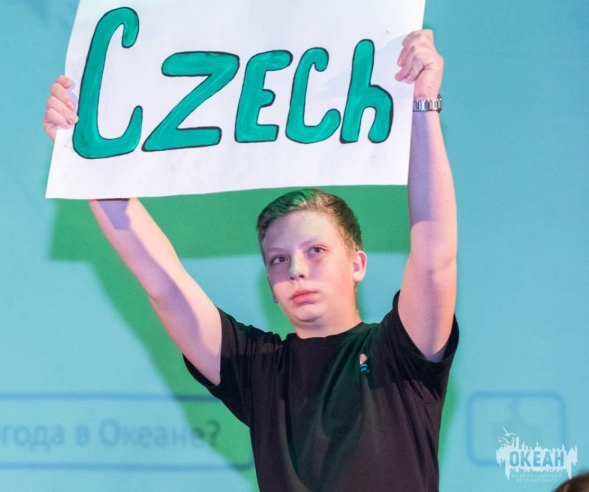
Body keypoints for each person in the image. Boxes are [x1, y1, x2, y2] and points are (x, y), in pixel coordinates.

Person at [44, 30, 457, 491]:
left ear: (357, 264)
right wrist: (84, 158)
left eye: (315, 251)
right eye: (278, 260)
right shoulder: (259, 370)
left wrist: (423, 106)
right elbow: (163, 283)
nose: (295, 269)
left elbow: (434, 256)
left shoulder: (400, 352)